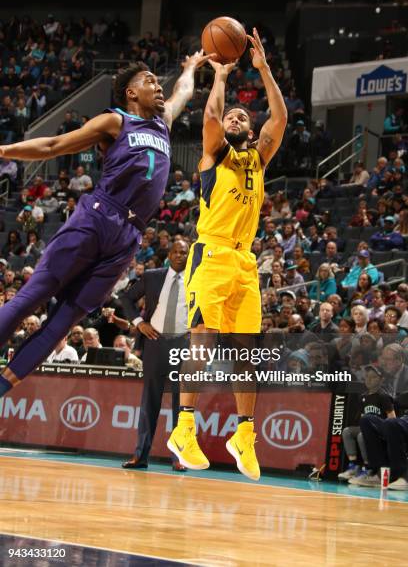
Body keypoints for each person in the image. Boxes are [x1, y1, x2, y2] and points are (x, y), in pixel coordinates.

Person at [0, 51, 211, 398]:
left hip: (128, 238)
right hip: (98, 216)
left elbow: (184, 91)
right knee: (30, 298)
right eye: (150, 82)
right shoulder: (116, 122)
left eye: (159, 83)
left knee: (61, 325)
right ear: (130, 92)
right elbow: (54, 145)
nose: (159, 87)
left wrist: (190, 67)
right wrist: (5, 151)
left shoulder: (164, 123)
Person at [168, 28, 287, 481]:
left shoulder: (259, 158)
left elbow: (281, 118)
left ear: (252, 131)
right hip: (211, 254)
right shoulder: (214, 157)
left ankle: (245, 435)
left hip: (245, 261)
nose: (235, 119)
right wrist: (219, 77)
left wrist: (265, 71)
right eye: (233, 118)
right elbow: (212, 116)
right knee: (203, 339)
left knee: (246, 352)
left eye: (243, 117)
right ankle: (183, 428)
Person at [120, 241, 189, 471]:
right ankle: (140, 456)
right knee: (150, 400)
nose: (180, 255)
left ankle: (179, 457)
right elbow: (126, 298)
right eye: (177, 251)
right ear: (169, 254)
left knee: (182, 404)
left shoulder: (197, 280)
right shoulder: (152, 276)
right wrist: (139, 323)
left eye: (185, 252)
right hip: (155, 341)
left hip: (184, 344)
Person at [339, 365, 395, 483]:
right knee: (347, 431)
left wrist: (386, 433)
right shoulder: (363, 397)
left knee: (361, 435)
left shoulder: (383, 396)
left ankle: (368, 468)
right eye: (367, 377)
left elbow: (392, 419)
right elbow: (361, 417)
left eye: (373, 377)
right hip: (365, 428)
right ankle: (353, 465)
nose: (369, 380)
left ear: (381, 379)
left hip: (379, 430)